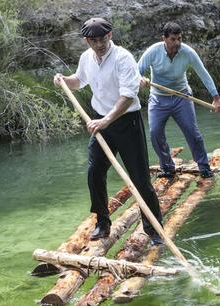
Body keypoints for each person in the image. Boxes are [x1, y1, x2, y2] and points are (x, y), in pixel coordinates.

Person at [54, 18, 163, 245]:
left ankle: (154, 230)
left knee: (140, 179)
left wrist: (106, 120)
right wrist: (64, 80)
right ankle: (103, 223)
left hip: (126, 122)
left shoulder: (123, 58)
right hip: (100, 122)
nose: (100, 44)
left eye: (103, 39)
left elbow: (128, 97)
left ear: (110, 36)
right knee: (95, 171)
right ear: (87, 41)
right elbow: (79, 80)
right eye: (94, 40)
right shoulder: (86, 58)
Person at [138, 22, 220, 179]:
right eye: (173, 39)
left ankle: (204, 167)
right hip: (158, 99)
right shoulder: (153, 51)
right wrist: (140, 79)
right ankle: (167, 167)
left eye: (179, 39)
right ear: (164, 38)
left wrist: (216, 99)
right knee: (155, 133)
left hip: (182, 97)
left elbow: (203, 74)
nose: (177, 43)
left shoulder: (188, 52)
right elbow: (136, 72)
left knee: (192, 132)